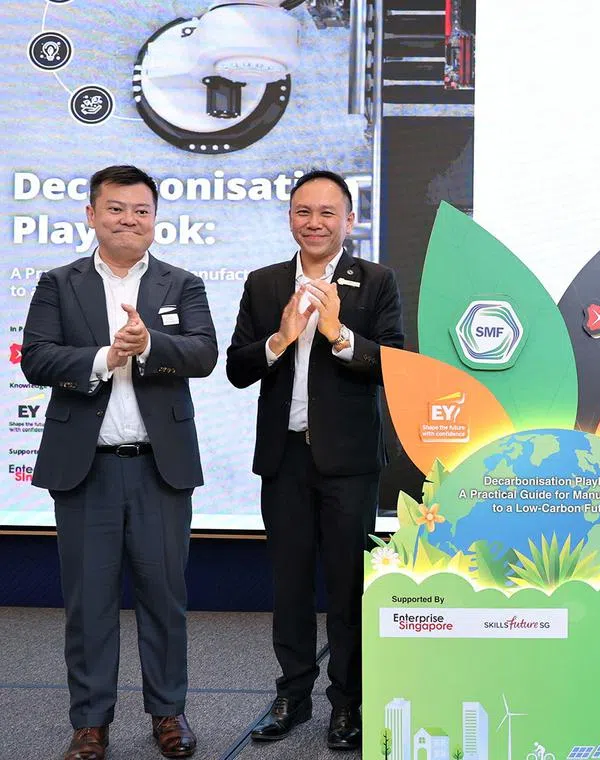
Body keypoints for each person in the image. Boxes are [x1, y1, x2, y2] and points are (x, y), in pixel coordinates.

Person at [21, 165, 218, 760]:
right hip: (86, 470)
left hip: (160, 468)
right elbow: (37, 359)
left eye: (140, 210)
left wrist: (152, 345)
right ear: (91, 214)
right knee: (89, 601)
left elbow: (205, 353)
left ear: (155, 219)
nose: (128, 219)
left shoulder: (181, 283)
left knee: (165, 596)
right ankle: (90, 723)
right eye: (115, 208)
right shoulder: (60, 282)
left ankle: (168, 715)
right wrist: (108, 355)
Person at [226, 169, 405, 750]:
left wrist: (338, 334)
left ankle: (348, 704)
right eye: (304, 211)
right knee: (290, 584)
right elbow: (237, 368)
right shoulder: (264, 283)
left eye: (328, 212)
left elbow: (396, 365)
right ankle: (292, 696)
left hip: (350, 463)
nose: (315, 222)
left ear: (349, 221)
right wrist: (279, 339)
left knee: (349, 585)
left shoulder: (375, 282)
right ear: (290, 219)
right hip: (284, 460)